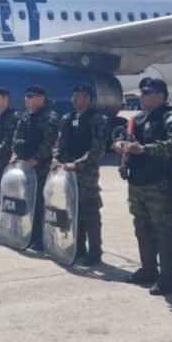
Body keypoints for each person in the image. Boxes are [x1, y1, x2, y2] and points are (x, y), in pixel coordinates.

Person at [113, 78, 172, 294]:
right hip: (138, 184)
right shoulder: (137, 119)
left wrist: (144, 149)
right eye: (142, 92)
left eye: (147, 92)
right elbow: (124, 139)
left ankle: (167, 278)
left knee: (165, 232)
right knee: (142, 229)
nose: (142, 95)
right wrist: (119, 145)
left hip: (161, 184)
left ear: (161, 95)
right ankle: (148, 269)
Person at [52, 83, 108, 266]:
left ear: (89, 99)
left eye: (83, 97)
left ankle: (95, 252)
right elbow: (60, 144)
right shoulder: (68, 117)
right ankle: (78, 248)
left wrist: (77, 164)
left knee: (90, 213)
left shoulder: (97, 119)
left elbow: (98, 149)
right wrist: (56, 159)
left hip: (86, 173)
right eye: (75, 96)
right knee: (73, 211)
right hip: (67, 172)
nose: (78, 100)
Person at [11, 85, 60, 251]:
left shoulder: (50, 117)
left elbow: (50, 142)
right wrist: (15, 154)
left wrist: (36, 159)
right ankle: (29, 233)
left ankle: (40, 238)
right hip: (25, 166)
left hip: (41, 168)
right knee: (26, 200)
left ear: (41, 98)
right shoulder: (25, 116)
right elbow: (17, 136)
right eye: (27, 96)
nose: (27, 99)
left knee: (40, 204)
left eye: (31, 96)